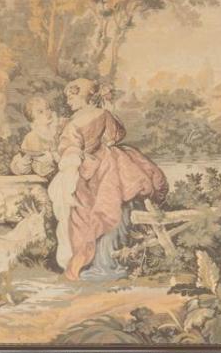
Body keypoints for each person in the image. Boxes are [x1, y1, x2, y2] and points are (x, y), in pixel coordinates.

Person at [51, 77, 169, 280]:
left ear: (84, 96)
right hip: (112, 162)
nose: (68, 102)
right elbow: (116, 135)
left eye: (71, 98)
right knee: (112, 206)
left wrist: (71, 162)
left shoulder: (73, 123)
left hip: (87, 168)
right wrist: (103, 146)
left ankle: (89, 263)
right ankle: (111, 260)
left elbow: (69, 150)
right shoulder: (104, 114)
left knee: (86, 213)